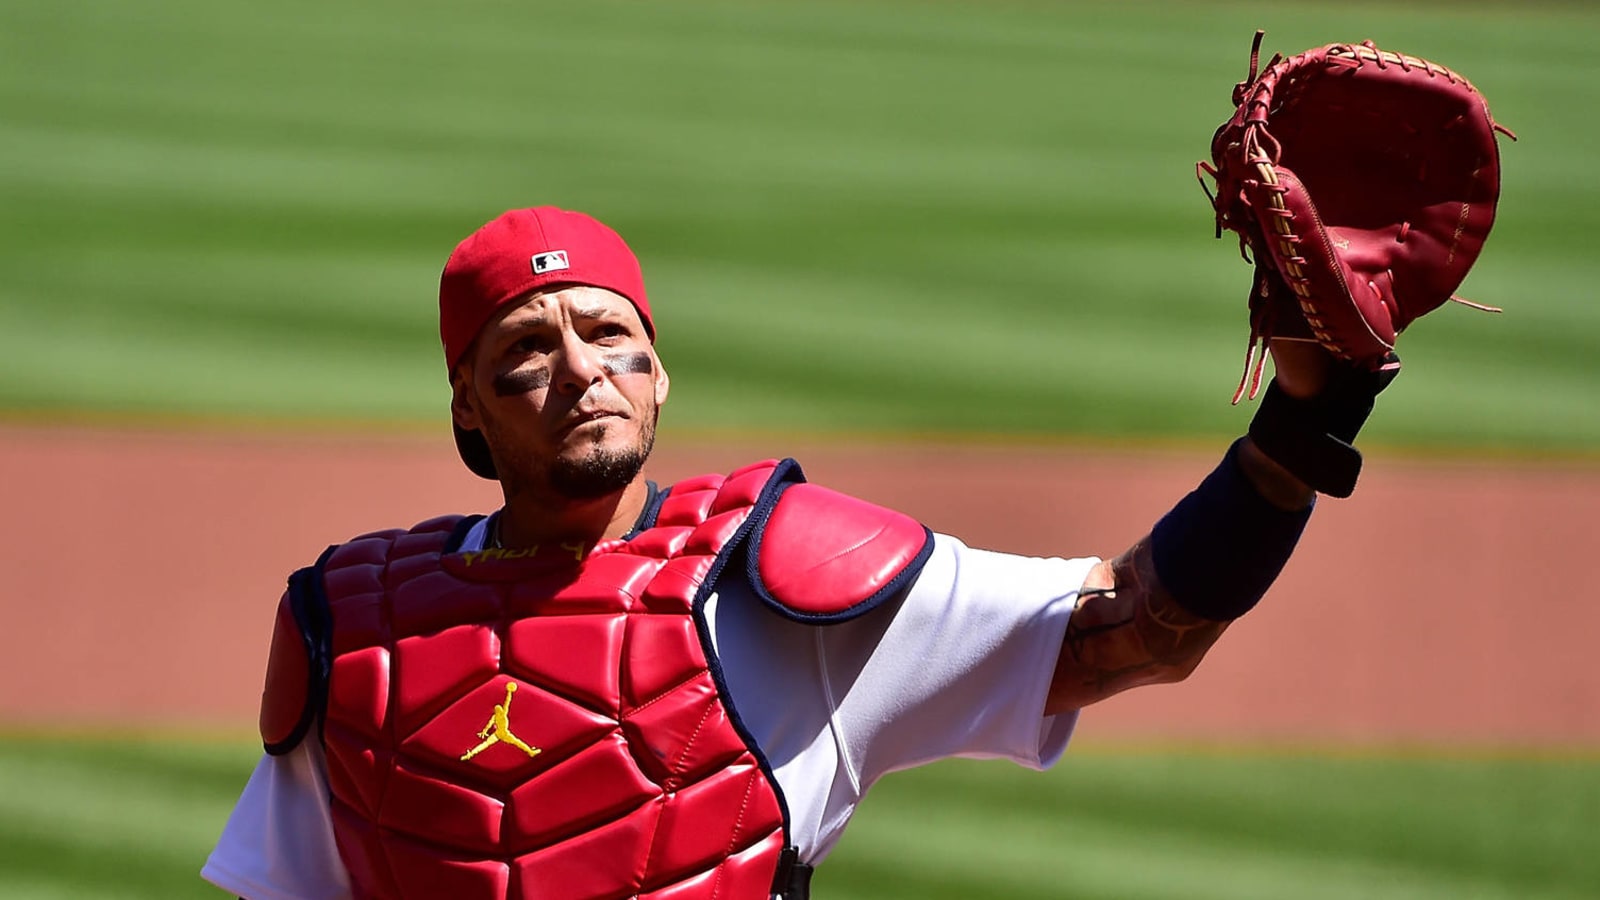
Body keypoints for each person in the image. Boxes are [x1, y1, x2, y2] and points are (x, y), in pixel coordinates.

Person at [203, 205, 1379, 899]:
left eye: (611, 334)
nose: (580, 370)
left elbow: (1136, 626)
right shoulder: (358, 625)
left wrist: (1302, 423)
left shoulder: (783, 572)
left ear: (658, 374)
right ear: (467, 408)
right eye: (526, 347)